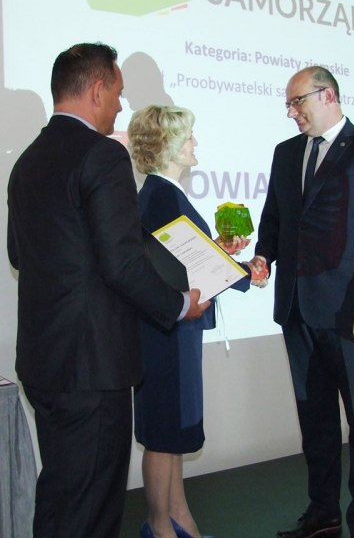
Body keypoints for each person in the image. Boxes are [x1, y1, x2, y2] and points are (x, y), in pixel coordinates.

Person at [6, 43, 209, 538]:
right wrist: (179, 305)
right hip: (93, 367)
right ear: (97, 90)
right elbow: (122, 264)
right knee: (92, 512)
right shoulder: (102, 155)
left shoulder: (27, 160)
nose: (120, 106)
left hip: (44, 361)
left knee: (61, 498)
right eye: (117, 93)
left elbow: (17, 254)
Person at [250, 66, 354, 538]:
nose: (291, 112)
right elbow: (275, 218)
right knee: (314, 421)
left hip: (351, 315)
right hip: (297, 311)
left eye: (297, 101)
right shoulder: (286, 153)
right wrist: (263, 255)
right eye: (289, 104)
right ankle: (323, 514)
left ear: (329, 96)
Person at [127, 104, 266, 538]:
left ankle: (178, 516)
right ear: (168, 144)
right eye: (188, 136)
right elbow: (192, 265)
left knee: (173, 430)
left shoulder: (163, 193)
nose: (194, 142)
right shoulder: (161, 196)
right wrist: (246, 273)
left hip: (173, 330)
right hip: (164, 332)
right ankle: (159, 525)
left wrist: (224, 252)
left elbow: (188, 259)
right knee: (162, 432)